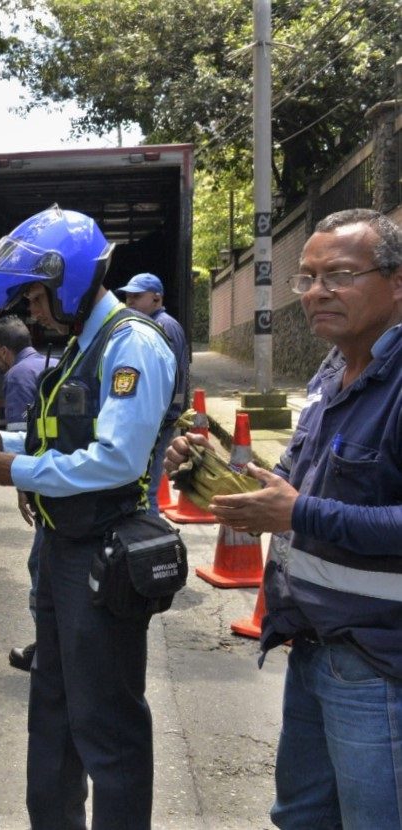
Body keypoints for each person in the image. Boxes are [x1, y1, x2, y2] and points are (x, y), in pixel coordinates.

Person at [165, 209, 402, 829]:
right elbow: (293, 486)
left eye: (341, 275)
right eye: (308, 277)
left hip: (380, 664)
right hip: (312, 645)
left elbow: (304, 507)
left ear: (397, 282)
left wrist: (300, 512)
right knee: (301, 817)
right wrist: (205, 470)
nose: (318, 292)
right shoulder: (331, 369)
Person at [0, 205, 176, 828]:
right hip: (61, 549)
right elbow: (67, 439)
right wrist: (3, 442)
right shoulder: (83, 344)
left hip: (104, 552)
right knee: (53, 710)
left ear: (70, 281)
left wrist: (17, 471)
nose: (31, 308)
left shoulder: (131, 344)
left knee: (106, 722)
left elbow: (115, 459)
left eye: (35, 294)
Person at [0, 314, 58, 672]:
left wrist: (21, 488)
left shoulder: (16, 376)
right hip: (64, 481)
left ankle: (47, 651)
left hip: (43, 482)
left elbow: (20, 447)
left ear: (2, 352)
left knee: (40, 567)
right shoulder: (53, 364)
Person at [117, 272, 189, 513]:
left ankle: (152, 544)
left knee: (146, 489)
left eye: (137, 296)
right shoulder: (152, 325)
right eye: (128, 297)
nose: (130, 302)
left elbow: (164, 376)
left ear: (156, 299)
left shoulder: (163, 326)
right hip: (158, 417)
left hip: (160, 418)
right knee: (143, 486)